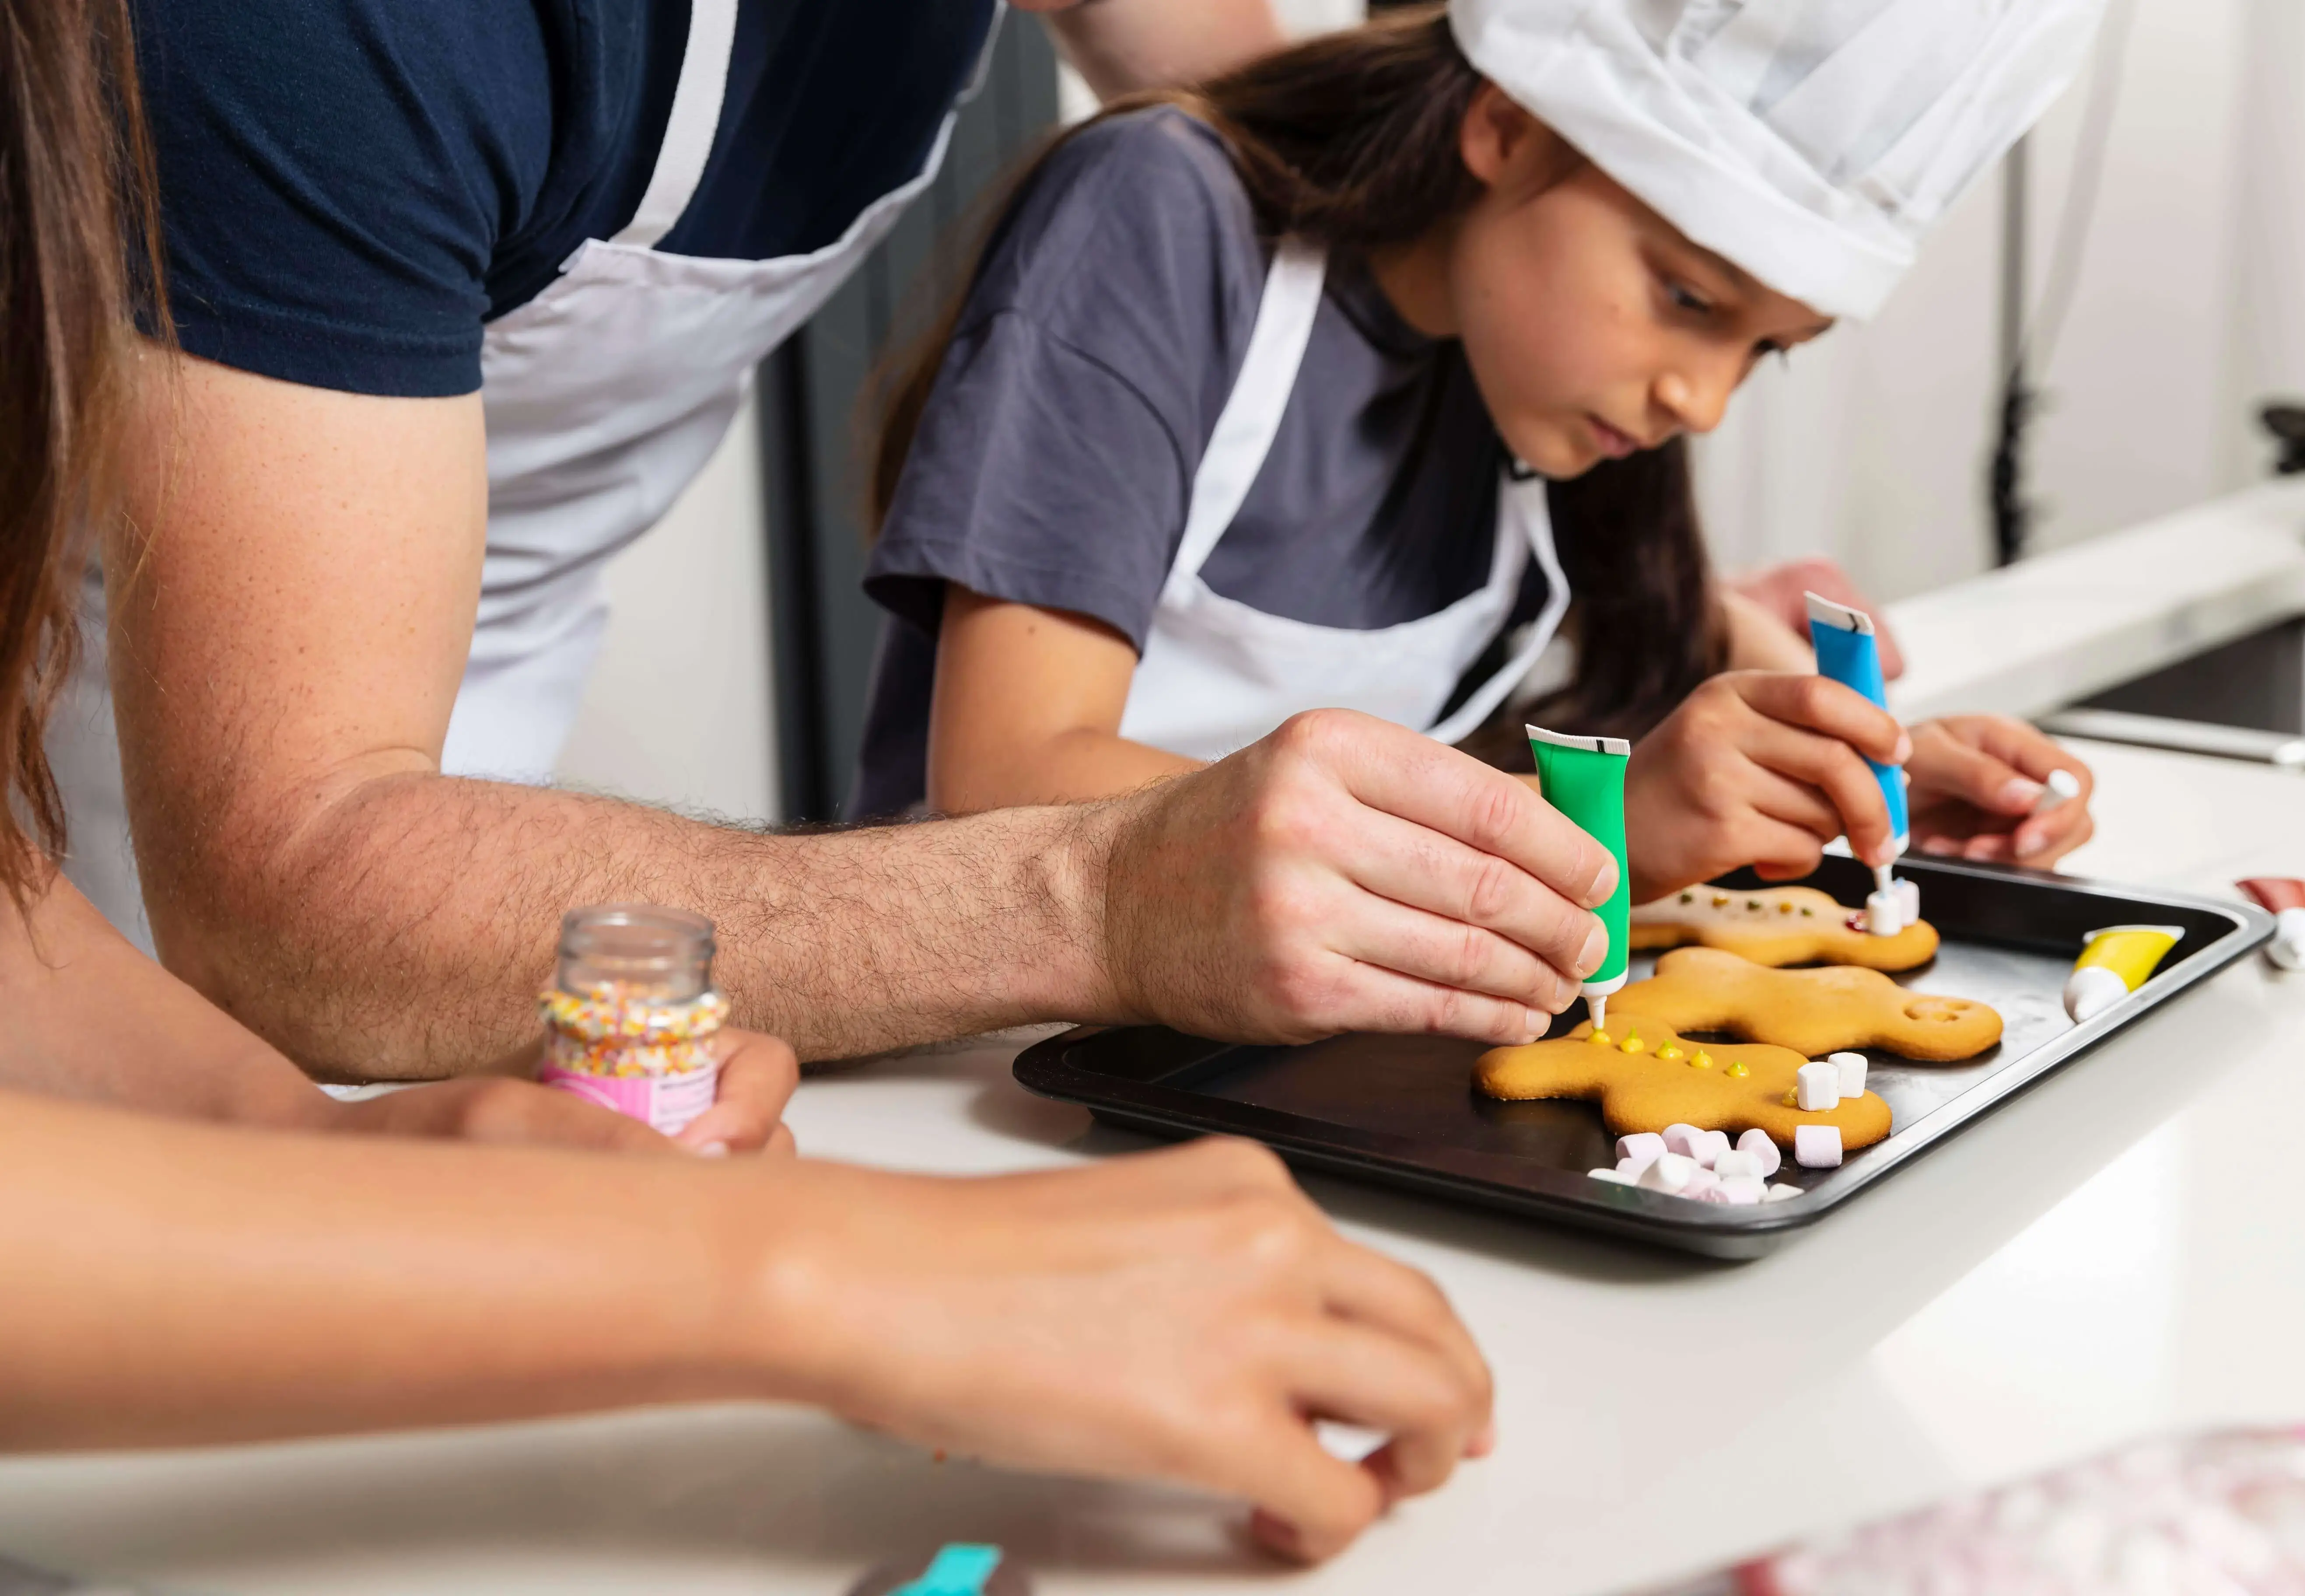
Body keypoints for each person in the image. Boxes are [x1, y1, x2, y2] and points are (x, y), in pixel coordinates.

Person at [0, 0, 1491, 1563]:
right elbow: (287, 870)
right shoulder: (307, 38)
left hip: (231, 990)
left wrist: (314, 1156)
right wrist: (818, 1273)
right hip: (163, 847)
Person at [46, 0, 1644, 1084]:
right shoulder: (334, 34)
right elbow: (284, 876)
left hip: (494, 769)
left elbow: (1318, 133)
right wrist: (1103, 897)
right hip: (112, 803)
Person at [850, 0, 2100, 892]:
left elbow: (1690, 633)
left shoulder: (1540, 383)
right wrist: (1585, 831)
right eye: (1691, 300)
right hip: (993, 1060)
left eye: (1767, 348)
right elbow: (1008, 776)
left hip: (1282, 1049)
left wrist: (1867, 785)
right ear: (1506, 129)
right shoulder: (1168, 215)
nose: (1705, 401)